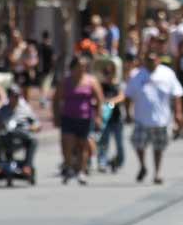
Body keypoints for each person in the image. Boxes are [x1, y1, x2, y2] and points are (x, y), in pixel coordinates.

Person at [125, 50, 183, 184]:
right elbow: (128, 95)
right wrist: (128, 113)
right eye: (148, 60)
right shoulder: (136, 75)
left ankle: (157, 173)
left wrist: (178, 113)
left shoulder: (167, 74)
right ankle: (143, 166)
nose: (151, 63)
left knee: (158, 147)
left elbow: (177, 94)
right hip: (141, 118)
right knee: (138, 143)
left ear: (158, 60)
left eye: (153, 60)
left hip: (161, 119)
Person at [53, 56, 104, 185]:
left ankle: (82, 170)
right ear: (73, 67)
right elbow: (56, 99)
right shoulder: (66, 81)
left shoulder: (91, 81)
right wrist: (56, 115)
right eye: (80, 65)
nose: (82, 68)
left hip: (85, 118)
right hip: (68, 117)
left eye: (84, 66)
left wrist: (98, 116)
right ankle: (69, 166)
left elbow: (99, 99)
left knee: (83, 145)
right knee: (67, 144)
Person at [0, 85, 41, 175]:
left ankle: (27, 165)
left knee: (33, 140)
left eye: (17, 96)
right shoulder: (2, 110)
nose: (15, 99)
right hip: (6, 134)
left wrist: (33, 127)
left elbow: (36, 123)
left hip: (22, 133)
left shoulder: (25, 109)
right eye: (12, 96)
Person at [96, 59, 126, 173]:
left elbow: (122, 96)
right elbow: (98, 98)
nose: (108, 75)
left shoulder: (118, 84)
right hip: (105, 119)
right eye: (106, 73)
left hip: (116, 118)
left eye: (110, 73)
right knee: (104, 142)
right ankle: (102, 162)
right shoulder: (100, 85)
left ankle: (119, 161)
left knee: (119, 143)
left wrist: (111, 101)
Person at [7, 30, 38, 102]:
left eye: (16, 37)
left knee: (25, 91)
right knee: (15, 91)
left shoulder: (25, 46)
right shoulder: (12, 48)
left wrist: (28, 64)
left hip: (24, 72)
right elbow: (11, 59)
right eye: (13, 38)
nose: (14, 39)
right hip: (16, 72)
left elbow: (34, 59)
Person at [37, 31, 55, 108]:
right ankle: (43, 99)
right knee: (46, 85)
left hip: (41, 68)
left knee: (42, 85)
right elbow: (53, 59)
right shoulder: (50, 47)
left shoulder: (40, 46)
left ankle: (42, 98)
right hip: (48, 69)